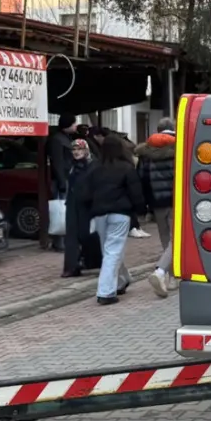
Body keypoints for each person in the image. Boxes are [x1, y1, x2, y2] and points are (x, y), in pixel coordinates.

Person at [74, 134, 147, 305]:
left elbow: (84, 193)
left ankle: (121, 280)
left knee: (109, 251)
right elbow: (135, 192)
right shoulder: (126, 167)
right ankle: (106, 292)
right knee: (112, 252)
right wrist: (141, 210)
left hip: (99, 213)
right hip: (120, 213)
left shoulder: (94, 167)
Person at [136, 117, 178, 297]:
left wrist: (147, 204)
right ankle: (164, 273)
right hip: (176, 201)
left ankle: (171, 275)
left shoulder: (146, 151)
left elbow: (142, 179)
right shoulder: (180, 146)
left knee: (165, 238)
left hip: (157, 202)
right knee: (177, 239)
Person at [61, 138, 101, 278]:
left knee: (87, 234)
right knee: (71, 235)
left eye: (80, 149)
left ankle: (91, 261)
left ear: (86, 150)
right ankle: (72, 266)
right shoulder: (72, 166)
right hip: (73, 203)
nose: (76, 152)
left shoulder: (94, 165)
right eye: (74, 149)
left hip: (88, 204)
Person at [47, 114, 79, 251]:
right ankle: (59, 241)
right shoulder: (57, 140)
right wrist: (61, 181)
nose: (76, 126)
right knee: (60, 210)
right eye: (74, 123)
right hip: (62, 179)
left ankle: (65, 239)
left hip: (68, 178)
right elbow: (58, 162)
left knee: (66, 210)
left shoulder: (66, 138)